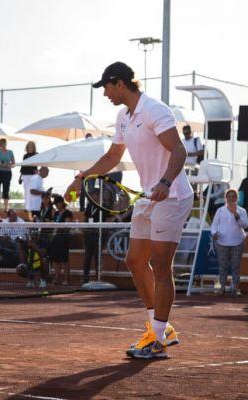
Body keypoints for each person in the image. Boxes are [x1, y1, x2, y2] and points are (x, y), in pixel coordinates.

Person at [65, 62, 192, 359]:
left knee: (161, 265)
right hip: (148, 196)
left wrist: (165, 181)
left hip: (171, 195)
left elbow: (179, 151)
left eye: (106, 87)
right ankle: (160, 328)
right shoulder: (123, 117)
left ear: (119, 83)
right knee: (135, 260)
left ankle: (157, 338)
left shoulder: (155, 110)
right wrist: (82, 177)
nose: (105, 93)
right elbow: (112, 156)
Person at [210, 189, 248, 296]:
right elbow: (214, 225)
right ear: (225, 198)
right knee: (223, 266)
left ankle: (235, 287)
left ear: (237, 198)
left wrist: (237, 216)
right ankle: (222, 287)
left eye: (233, 196)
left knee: (236, 266)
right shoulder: (220, 211)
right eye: (229, 196)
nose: (231, 198)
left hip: (237, 241)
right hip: (222, 242)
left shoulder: (242, 211)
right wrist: (214, 233)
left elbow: (245, 225)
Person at [82, 189, 104, 284]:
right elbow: (85, 217)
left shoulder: (104, 206)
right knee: (87, 257)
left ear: (99, 195)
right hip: (88, 235)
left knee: (98, 258)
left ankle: (98, 278)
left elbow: (107, 220)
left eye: (94, 194)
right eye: (92, 194)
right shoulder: (89, 205)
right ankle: (85, 278)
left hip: (98, 235)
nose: (93, 196)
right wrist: (84, 228)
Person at [50, 195, 73, 286]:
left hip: (63, 239)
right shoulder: (55, 213)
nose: (56, 206)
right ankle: (57, 277)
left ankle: (66, 279)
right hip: (55, 238)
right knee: (56, 260)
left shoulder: (68, 213)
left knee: (64, 260)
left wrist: (57, 226)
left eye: (57, 204)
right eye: (55, 204)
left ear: (61, 203)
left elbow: (67, 226)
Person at [0, 138, 15, 212]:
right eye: (1, 143)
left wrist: (6, 165)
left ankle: (6, 208)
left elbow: (13, 164)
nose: (3, 144)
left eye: (4, 143)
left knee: (6, 189)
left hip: (7, 172)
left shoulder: (10, 152)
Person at [19, 141, 38, 210]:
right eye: (29, 146)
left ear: (34, 147)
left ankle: (33, 207)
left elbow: (37, 164)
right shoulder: (25, 155)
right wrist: (20, 177)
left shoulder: (36, 154)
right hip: (25, 175)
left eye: (31, 146)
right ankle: (27, 207)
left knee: (33, 191)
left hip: (33, 175)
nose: (30, 147)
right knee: (26, 191)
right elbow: (22, 166)